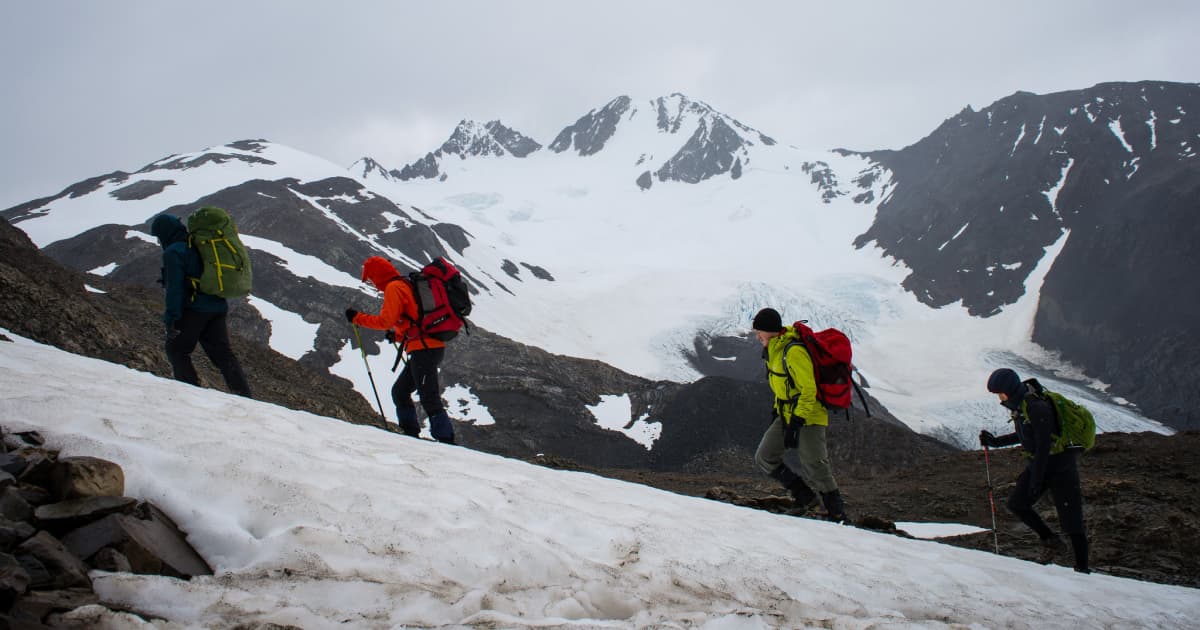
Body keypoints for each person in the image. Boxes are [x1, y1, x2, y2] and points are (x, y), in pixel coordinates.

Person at [980, 368, 1089, 573]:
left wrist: (1036, 478)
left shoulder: (1035, 406)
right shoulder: (1021, 406)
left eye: (999, 393)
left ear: (1009, 389)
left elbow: (1043, 444)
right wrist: (995, 442)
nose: (999, 398)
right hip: (1042, 463)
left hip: (1060, 464)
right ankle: (1051, 541)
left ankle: (1083, 569)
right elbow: (1025, 436)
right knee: (1017, 504)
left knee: (1071, 519)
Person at [750, 308, 846, 522]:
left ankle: (837, 513)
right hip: (787, 414)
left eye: (759, 332)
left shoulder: (793, 351)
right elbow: (783, 386)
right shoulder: (773, 350)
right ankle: (806, 498)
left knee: (815, 464)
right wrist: (778, 411)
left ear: (770, 331)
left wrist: (797, 421)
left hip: (809, 415)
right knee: (765, 456)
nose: (757, 337)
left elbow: (808, 389)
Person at [347, 256, 454, 444]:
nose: (372, 283)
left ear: (377, 275)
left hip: (424, 349)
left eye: (371, 278)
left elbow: (385, 321)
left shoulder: (393, 288)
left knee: (428, 396)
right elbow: (413, 318)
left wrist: (358, 318)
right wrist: (397, 336)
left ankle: (446, 440)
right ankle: (410, 436)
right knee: (400, 391)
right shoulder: (404, 284)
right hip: (427, 348)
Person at [149, 214, 252, 398]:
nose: (158, 241)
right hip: (218, 307)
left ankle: (190, 394)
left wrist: (171, 318)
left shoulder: (174, 252)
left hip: (195, 309)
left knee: (176, 350)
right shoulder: (199, 244)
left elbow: (175, 289)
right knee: (223, 354)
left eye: (158, 236)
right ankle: (244, 395)